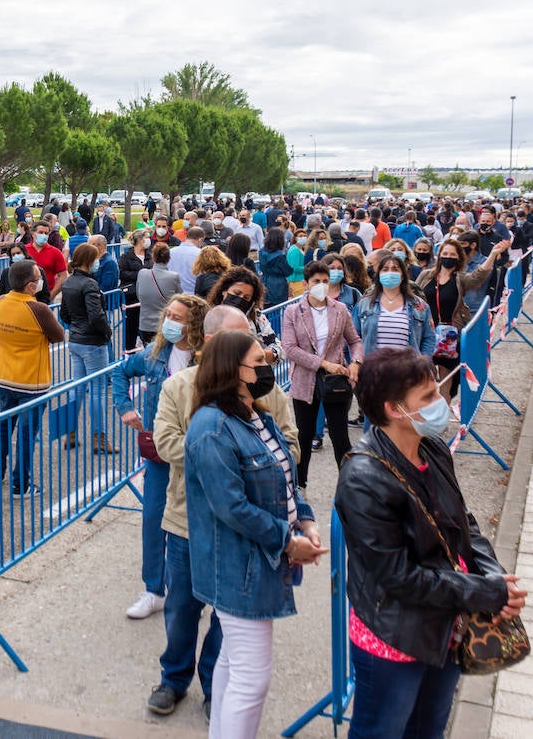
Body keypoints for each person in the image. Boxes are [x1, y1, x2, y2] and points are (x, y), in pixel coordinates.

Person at [337, 348, 526, 738]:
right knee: (382, 730)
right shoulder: (362, 478)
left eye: (437, 392)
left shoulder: (433, 449)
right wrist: (481, 591)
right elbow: (398, 576)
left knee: (428, 729)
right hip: (395, 634)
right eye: (428, 398)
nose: (441, 402)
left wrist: (495, 579)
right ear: (394, 409)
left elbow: (463, 522)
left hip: (445, 622)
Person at [146, 306, 300, 719]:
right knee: (181, 608)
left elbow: (289, 447)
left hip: (242, 531)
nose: (256, 353)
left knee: (228, 620)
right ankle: (173, 678)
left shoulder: (266, 391)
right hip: (187, 522)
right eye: (240, 341)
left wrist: (239, 469)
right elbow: (165, 443)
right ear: (215, 346)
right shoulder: (179, 388)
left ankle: (216, 683)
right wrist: (219, 463)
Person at [184, 330, 324, 736]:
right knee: (252, 677)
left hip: (254, 561)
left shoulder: (257, 416)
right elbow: (230, 506)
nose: (267, 367)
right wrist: (287, 539)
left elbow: (285, 479)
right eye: (259, 361)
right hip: (237, 567)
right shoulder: (211, 427)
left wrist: (307, 520)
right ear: (233, 370)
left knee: (232, 663)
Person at [111, 295, 205, 620]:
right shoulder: (154, 354)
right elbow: (120, 373)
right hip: (160, 454)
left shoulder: (207, 358)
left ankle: (196, 585)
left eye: (178, 317)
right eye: (169, 315)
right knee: (153, 519)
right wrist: (125, 409)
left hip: (198, 454)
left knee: (197, 521)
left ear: (194, 323)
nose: (171, 321)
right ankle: (154, 589)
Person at [282, 261, 363, 496]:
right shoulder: (293, 312)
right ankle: (300, 486)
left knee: (340, 436)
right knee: (304, 436)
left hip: (335, 382)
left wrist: (356, 363)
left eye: (325, 281)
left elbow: (355, 341)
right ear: (306, 284)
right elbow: (290, 348)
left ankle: (349, 490)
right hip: (304, 380)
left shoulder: (339, 310)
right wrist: (322, 363)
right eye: (316, 281)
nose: (322, 285)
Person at [0, 259, 66, 495]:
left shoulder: (1, 302)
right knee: (26, 434)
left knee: (4, 425)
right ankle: (20, 483)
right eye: (38, 278)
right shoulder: (38, 309)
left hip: (5, 376)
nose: (41, 281)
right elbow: (59, 336)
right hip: (31, 380)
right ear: (31, 286)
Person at [415, 237, 507, 399]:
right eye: (445, 253)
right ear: (439, 255)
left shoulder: (460, 279)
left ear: (458, 258)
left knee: (446, 380)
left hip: (450, 335)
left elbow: (478, 276)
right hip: (425, 333)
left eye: (452, 254)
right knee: (422, 377)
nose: (448, 257)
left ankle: (441, 418)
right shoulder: (425, 276)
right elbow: (412, 295)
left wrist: (492, 255)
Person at [59, 243, 114, 452]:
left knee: (77, 387)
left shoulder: (69, 282)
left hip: (75, 339)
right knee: (97, 391)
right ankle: (99, 438)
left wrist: (75, 325)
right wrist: (106, 332)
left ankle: (70, 433)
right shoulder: (89, 284)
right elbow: (96, 316)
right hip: (92, 342)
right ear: (89, 261)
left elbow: (64, 313)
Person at [353, 253, 438, 362]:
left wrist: (423, 362)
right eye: (385, 269)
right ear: (378, 274)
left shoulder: (419, 306)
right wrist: (356, 362)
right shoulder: (364, 304)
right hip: (372, 369)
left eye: (395, 269)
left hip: (408, 370)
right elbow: (354, 338)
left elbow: (429, 338)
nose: (390, 273)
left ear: (402, 275)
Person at [136, 243, 182, 346]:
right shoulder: (173, 277)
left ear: (153, 257)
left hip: (145, 325)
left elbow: (139, 296)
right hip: (165, 326)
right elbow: (180, 299)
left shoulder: (142, 273)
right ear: (169, 258)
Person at [119, 230, 153, 352]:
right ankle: (130, 353)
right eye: (147, 237)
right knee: (131, 328)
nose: (149, 240)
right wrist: (141, 274)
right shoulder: (126, 257)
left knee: (147, 330)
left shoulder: (150, 256)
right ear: (140, 240)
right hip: (132, 297)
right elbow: (122, 273)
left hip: (148, 298)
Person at [25, 224, 68, 304]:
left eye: (46, 233)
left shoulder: (56, 253)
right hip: (25, 298)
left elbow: (63, 275)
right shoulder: (24, 250)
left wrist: (51, 295)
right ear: (32, 233)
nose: (43, 235)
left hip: (46, 298)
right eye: (40, 232)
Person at [258, 227, 292, 307]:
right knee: (278, 308)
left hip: (264, 280)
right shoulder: (280, 256)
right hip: (278, 285)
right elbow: (287, 271)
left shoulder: (262, 251)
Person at [167, 226, 204, 293]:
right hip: (192, 295)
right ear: (200, 240)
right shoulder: (201, 254)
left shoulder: (170, 252)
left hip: (173, 294)